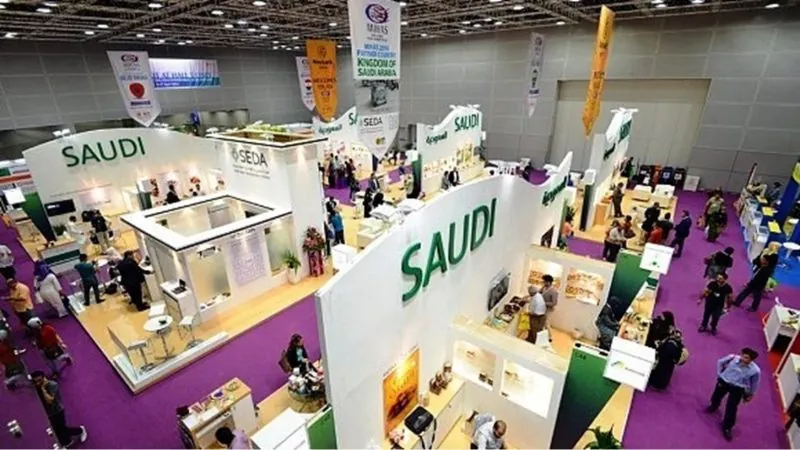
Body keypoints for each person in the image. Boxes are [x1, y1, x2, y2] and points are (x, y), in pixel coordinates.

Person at [706, 348, 761, 441]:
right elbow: (720, 362)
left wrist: (751, 394)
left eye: (747, 358)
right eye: (744, 356)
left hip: (738, 388)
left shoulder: (755, 371)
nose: (744, 359)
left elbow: (754, 383)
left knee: (732, 407)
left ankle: (727, 427)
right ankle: (714, 406)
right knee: (716, 396)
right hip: (724, 381)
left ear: (752, 360)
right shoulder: (732, 358)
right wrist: (720, 374)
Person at [32, 371, 87, 447]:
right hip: (49, 412)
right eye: (35, 381)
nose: (37, 383)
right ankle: (67, 441)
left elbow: (50, 400)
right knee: (56, 430)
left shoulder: (52, 385)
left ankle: (80, 430)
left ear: (43, 378)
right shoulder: (36, 387)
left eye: (39, 381)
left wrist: (43, 389)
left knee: (62, 429)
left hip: (57, 411)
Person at [541, 275, 558, 341]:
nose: (543, 283)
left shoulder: (554, 291)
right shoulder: (544, 288)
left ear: (548, 282)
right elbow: (539, 293)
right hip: (542, 308)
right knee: (543, 322)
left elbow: (554, 303)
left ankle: (549, 337)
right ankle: (542, 336)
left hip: (548, 309)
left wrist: (544, 303)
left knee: (546, 323)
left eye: (544, 281)